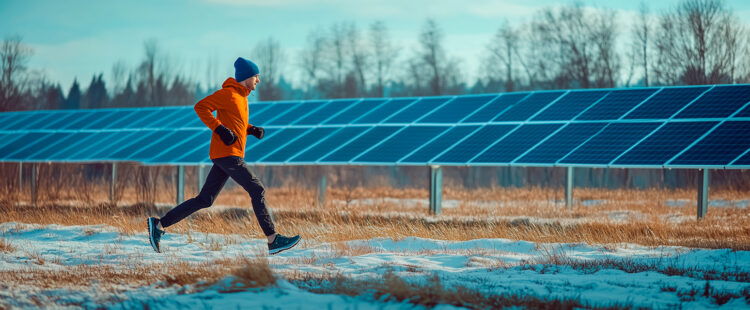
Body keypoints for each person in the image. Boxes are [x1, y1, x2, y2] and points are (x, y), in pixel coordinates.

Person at [147, 57, 300, 255]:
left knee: (205, 200)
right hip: (228, 154)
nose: (258, 81)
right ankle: (273, 239)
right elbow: (200, 107)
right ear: (246, 77)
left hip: (227, 154)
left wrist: (251, 129)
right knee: (257, 188)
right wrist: (219, 129)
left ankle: (159, 225)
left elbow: (235, 123)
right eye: (256, 76)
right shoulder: (227, 94)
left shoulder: (242, 98)